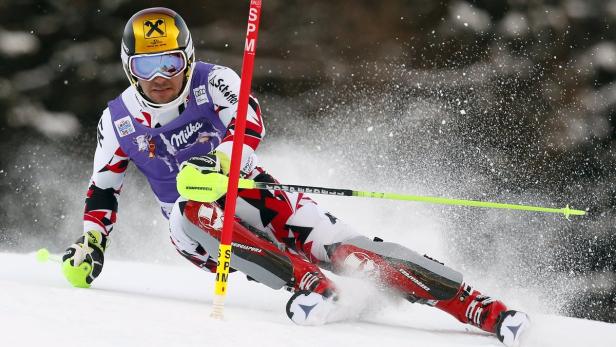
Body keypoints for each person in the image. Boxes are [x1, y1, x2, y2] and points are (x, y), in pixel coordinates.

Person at [62, 7, 529, 346]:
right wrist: (91, 243)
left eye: (171, 62)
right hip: (196, 229)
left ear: (187, 58)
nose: (161, 77)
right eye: (147, 66)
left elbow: (250, 119)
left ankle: (474, 305)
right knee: (191, 209)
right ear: (129, 67)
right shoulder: (117, 119)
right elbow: (104, 187)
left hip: (254, 189)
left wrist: (226, 158)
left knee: (347, 250)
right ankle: (308, 284)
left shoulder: (214, 79)